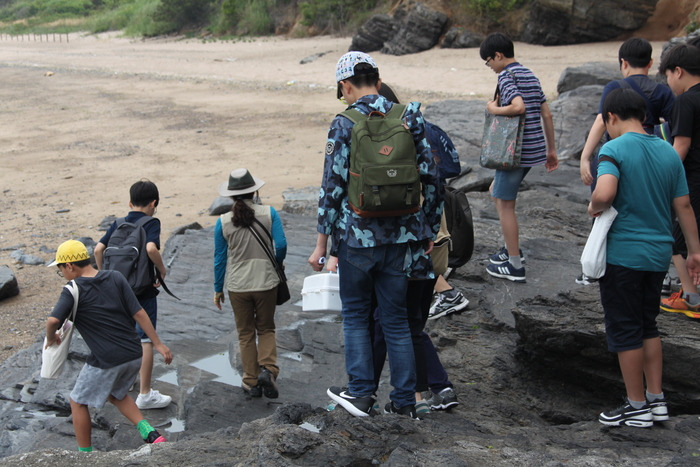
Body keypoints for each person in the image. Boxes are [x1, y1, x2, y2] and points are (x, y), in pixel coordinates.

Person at [308, 51, 442, 418]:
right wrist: (428, 228)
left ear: (345, 85)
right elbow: (431, 177)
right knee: (397, 319)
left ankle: (361, 393)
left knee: (355, 315)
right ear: (379, 81)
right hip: (402, 238)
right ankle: (403, 403)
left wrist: (322, 244)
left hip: (357, 240)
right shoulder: (408, 116)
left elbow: (331, 186)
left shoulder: (345, 122)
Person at [589, 89, 700, 427]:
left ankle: (636, 405)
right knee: (647, 325)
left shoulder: (613, 149)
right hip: (657, 255)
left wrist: (594, 205)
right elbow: (683, 206)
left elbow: (605, 193)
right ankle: (656, 399)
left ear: (611, 118)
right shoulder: (667, 152)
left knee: (624, 329)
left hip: (624, 255)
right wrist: (695, 251)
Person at [45, 240, 173, 451]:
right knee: (116, 394)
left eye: (60, 270)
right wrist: (157, 344)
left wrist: (51, 338)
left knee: (77, 401)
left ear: (69, 266)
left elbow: (52, 321)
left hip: (107, 359)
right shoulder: (114, 276)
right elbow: (139, 312)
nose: (63, 275)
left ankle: (85, 454)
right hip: (133, 352)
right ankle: (150, 432)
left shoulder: (72, 288)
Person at [577, 38, 676, 286]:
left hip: (616, 154)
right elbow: (673, 127)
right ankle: (657, 273)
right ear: (651, 62)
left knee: (603, 206)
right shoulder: (663, 91)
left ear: (623, 62)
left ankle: (595, 264)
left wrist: (585, 156)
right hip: (652, 153)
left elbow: (601, 121)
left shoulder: (614, 87)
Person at [479, 33, 558, 283]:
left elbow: (518, 106)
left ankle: (514, 264)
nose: (489, 66)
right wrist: (551, 150)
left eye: (488, 61)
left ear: (499, 56)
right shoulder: (529, 74)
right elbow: (546, 114)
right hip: (532, 151)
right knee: (496, 190)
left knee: (505, 205)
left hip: (515, 153)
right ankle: (510, 247)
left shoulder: (506, 76)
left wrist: (493, 109)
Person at [94, 180, 171, 410]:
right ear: (153, 203)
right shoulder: (151, 223)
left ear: (129, 203)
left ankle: (123, 383)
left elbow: (98, 249)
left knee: (123, 333)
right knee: (145, 338)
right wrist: (162, 269)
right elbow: (150, 249)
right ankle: (145, 394)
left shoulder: (118, 223)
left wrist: (103, 276)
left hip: (117, 289)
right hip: (143, 291)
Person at [213, 168, 287, 399]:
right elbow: (282, 244)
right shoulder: (269, 213)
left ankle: (250, 381)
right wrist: (277, 262)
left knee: (245, 334)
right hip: (266, 281)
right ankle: (268, 369)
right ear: (254, 191)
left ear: (231, 196)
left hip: (238, 285)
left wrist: (217, 289)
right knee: (266, 328)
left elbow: (219, 258)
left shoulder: (223, 221)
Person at [657, 44, 700, 317]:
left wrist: (661, 175)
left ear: (678, 71)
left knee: (678, 240)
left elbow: (681, 145)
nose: (668, 83)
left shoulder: (685, 101)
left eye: (667, 76)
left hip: (693, 179)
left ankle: (692, 297)